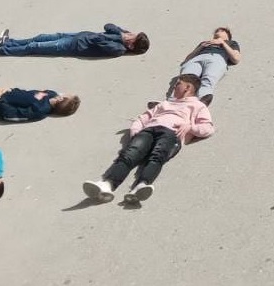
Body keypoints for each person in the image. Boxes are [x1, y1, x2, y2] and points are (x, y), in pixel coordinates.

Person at [82, 75, 213, 206]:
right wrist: (137, 133)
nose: (174, 86)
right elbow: (142, 118)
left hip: (171, 133)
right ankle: (107, 184)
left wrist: (190, 127)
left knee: (157, 156)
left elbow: (208, 128)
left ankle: (141, 186)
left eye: (178, 84)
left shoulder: (198, 106)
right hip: (149, 130)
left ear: (187, 88)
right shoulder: (164, 104)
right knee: (129, 154)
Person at [0, 23, 150, 59]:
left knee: (35, 46)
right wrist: (121, 32)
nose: (131, 33)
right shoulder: (121, 35)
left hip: (73, 45)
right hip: (76, 35)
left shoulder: (118, 49)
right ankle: (9, 42)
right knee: (40, 37)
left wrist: (121, 37)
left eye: (133, 36)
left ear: (131, 44)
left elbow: (97, 39)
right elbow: (108, 25)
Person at [178, 28, 240, 105]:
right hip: (196, 59)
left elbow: (236, 59)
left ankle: (199, 105)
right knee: (185, 80)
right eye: (216, 31)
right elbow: (187, 59)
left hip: (216, 58)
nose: (217, 32)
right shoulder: (204, 43)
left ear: (228, 36)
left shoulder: (231, 43)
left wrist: (223, 43)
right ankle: (174, 104)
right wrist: (201, 47)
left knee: (208, 80)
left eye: (222, 31)